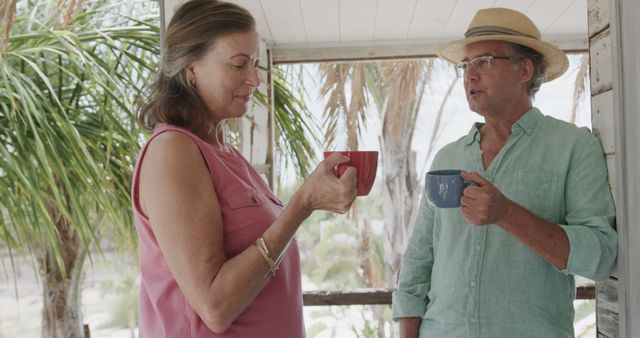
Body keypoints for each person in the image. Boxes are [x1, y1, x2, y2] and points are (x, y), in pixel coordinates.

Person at [131, 1, 357, 337]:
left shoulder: (227, 154)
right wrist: (300, 206)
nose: (254, 79)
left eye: (254, 64)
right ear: (190, 68)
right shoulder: (172, 152)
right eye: (238, 65)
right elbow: (215, 307)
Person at [392, 7, 617, 338]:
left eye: (483, 62)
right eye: (465, 65)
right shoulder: (447, 158)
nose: (470, 75)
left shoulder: (573, 147)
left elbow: (600, 256)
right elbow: (416, 267)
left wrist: (506, 214)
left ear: (524, 70)